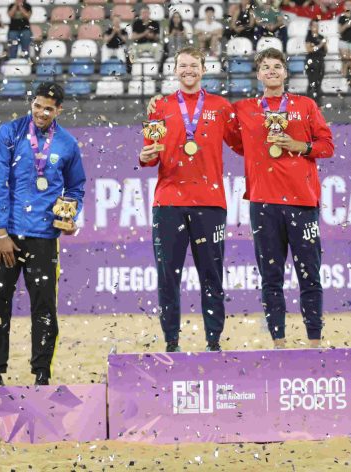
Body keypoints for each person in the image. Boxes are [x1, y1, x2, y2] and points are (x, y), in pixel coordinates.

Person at [0, 82, 86, 386]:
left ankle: (42, 374)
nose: (41, 113)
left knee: (44, 308)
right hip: (7, 234)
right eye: (37, 106)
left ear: (59, 110)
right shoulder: (9, 133)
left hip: (43, 236)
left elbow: (76, 187)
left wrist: (69, 216)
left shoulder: (66, 143)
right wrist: (0, 232)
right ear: (32, 103)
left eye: (48, 108)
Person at [139, 47, 242, 352]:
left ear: (204, 68)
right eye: (182, 65)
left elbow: (241, 144)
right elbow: (149, 153)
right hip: (168, 202)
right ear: (174, 70)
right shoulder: (161, 106)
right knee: (168, 277)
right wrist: (144, 156)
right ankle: (172, 342)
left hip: (209, 204)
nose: (188, 70)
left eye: (193, 65)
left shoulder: (221, 107)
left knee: (211, 275)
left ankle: (213, 342)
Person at [232, 48, 334, 349]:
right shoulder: (244, 108)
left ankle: (314, 341)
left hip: (302, 203)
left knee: (309, 275)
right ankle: (279, 342)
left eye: (277, 66)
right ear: (259, 74)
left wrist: (299, 145)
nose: (272, 71)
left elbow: (327, 146)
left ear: (286, 72)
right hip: (263, 203)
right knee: (271, 278)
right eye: (265, 67)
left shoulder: (305, 105)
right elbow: (230, 139)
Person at [305, 19, 327, 105]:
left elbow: (325, 51)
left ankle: (318, 104)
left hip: (320, 61)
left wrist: (324, 44)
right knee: (311, 82)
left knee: (319, 83)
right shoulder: (309, 37)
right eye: (314, 25)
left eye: (317, 25)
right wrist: (321, 44)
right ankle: (309, 103)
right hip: (311, 62)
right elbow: (309, 49)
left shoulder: (321, 37)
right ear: (310, 27)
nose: (316, 27)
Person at [337, 3, 351, 77]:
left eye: (350, 5)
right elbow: (339, 31)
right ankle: (343, 82)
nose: (349, 6)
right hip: (343, 41)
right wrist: (346, 25)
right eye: (347, 5)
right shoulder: (341, 17)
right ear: (344, 6)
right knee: (345, 61)